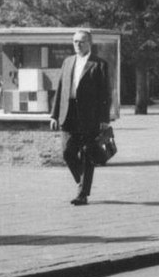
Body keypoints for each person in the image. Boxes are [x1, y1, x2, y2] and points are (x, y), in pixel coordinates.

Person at [48, 29, 113, 206]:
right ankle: (82, 182)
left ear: (89, 43)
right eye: (75, 41)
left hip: (89, 115)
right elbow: (60, 89)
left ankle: (82, 193)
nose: (78, 44)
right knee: (67, 152)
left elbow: (105, 94)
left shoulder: (99, 64)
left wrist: (104, 119)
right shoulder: (68, 61)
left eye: (82, 41)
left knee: (86, 154)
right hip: (68, 113)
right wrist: (54, 115)